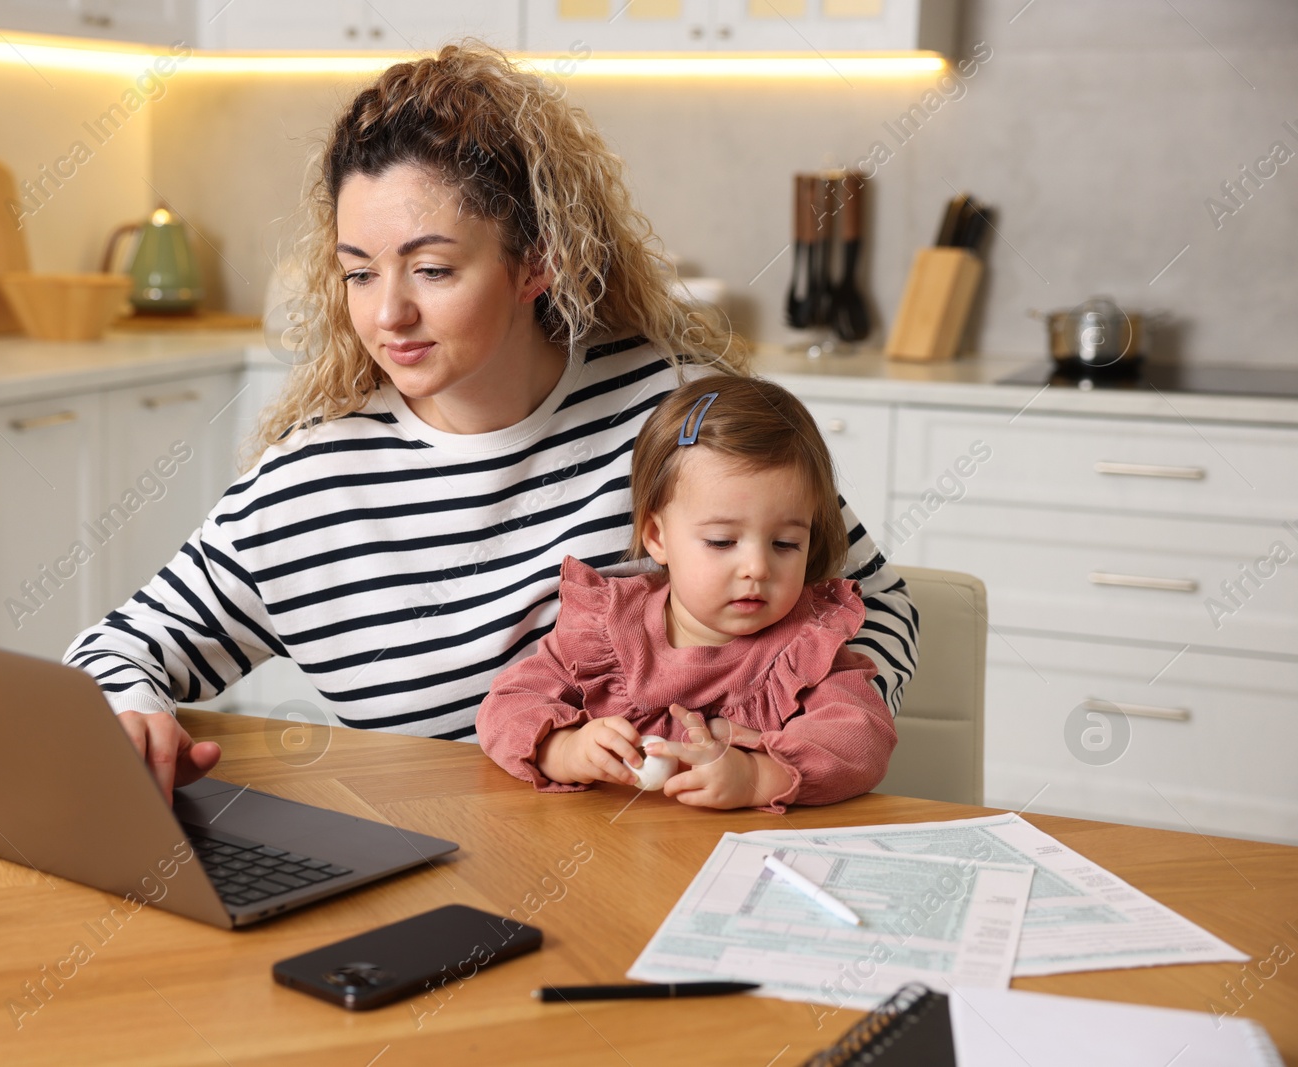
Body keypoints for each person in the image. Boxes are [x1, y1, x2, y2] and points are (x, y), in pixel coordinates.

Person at [62, 43, 918, 805]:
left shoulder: (677, 417)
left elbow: (874, 602)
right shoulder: (308, 488)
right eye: (359, 273)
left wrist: (787, 750)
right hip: (434, 882)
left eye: (432, 268)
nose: (389, 312)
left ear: (535, 262)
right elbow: (120, 648)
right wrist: (134, 714)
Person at [476, 377, 897, 811]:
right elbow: (506, 705)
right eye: (721, 542)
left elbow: (861, 737)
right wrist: (562, 750)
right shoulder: (605, 629)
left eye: (786, 544)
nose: (757, 568)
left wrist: (759, 776)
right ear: (657, 536)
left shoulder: (805, 647)